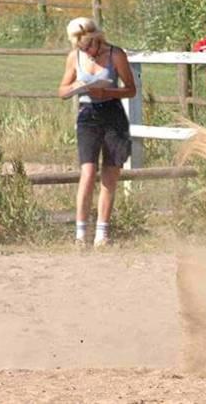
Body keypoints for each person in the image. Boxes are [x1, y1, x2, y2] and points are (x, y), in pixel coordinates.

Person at [58, 17, 136, 247]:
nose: (88, 52)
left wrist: (109, 93)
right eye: (82, 48)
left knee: (110, 174)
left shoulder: (116, 55)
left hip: (112, 113)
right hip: (87, 115)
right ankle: (80, 233)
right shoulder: (75, 57)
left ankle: (102, 232)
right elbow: (61, 90)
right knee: (88, 172)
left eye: (89, 46)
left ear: (97, 39)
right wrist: (74, 88)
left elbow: (131, 89)